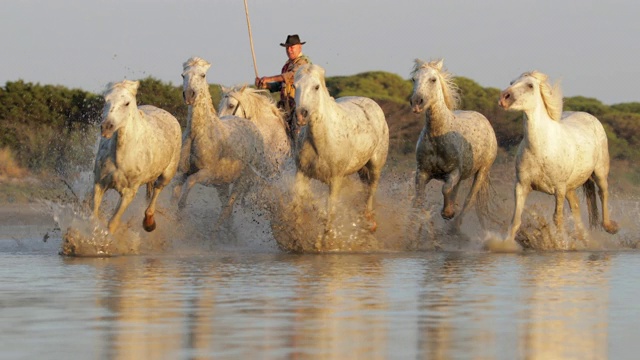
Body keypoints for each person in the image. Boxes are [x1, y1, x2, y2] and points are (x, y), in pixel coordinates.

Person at [255, 34, 311, 139]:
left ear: (299, 47)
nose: (289, 50)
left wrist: (269, 78)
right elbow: (280, 85)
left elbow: (290, 76)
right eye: (287, 48)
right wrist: (265, 84)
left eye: (292, 47)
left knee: (299, 135)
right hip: (286, 108)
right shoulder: (287, 65)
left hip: (299, 107)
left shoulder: (303, 63)